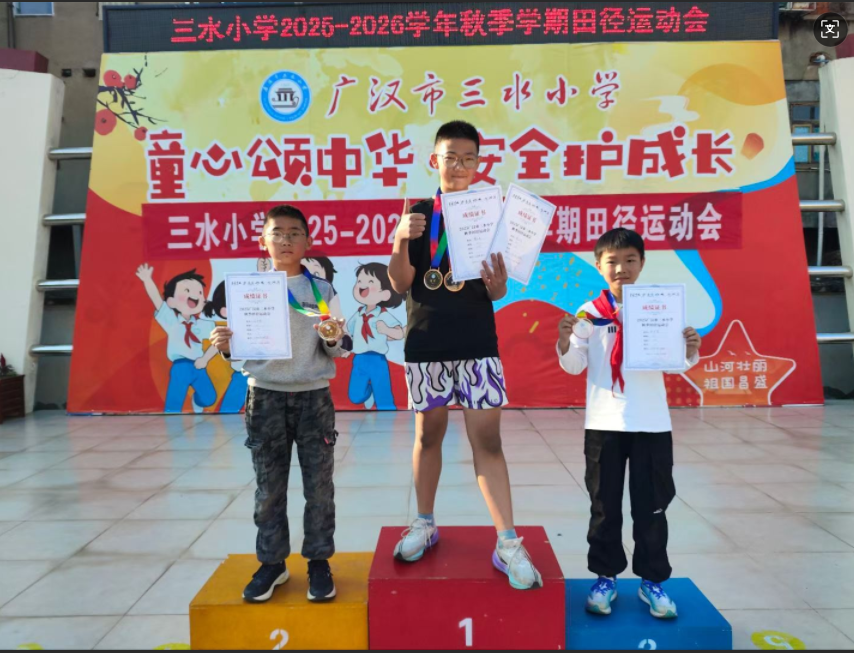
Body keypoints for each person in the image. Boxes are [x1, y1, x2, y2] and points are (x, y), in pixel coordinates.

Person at [387, 120, 542, 590]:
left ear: (479, 163)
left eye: (467, 158)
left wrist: (499, 285)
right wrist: (399, 238)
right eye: (450, 157)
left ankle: (507, 542)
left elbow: (495, 290)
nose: (458, 165)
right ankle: (424, 523)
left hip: (477, 345)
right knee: (428, 436)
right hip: (427, 344)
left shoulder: (491, 214)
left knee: (488, 441)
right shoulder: (416, 214)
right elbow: (400, 283)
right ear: (434, 160)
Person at [556, 228, 702, 619]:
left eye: (630, 260)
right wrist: (565, 342)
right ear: (598, 265)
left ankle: (652, 581)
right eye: (612, 261)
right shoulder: (589, 313)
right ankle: (605, 577)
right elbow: (574, 365)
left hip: (651, 423)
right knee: (604, 506)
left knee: (651, 507)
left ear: (642, 263)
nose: (621, 268)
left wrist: (689, 349)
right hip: (603, 423)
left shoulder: (659, 307)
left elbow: (675, 362)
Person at [210, 204, 349, 604]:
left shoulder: (323, 292)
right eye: (277, 233)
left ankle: (319, 562)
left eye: (294, 233)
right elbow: (237, 352)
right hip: (265, 397)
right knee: (268, 488)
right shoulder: (247, 291)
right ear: (263, 241)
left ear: (308, 241)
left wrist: (333, 337)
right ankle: (272, 563)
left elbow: (338, 348)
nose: (285, 240)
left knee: (319, 488)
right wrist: (225, 346)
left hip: (313, 398)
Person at [135, 265, 217, 413]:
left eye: (199, 292)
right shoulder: (171, 321)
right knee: (174, 402)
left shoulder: (204, 324)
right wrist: (147, 280)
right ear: (171, 301)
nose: (195, 296)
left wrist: (205, 359)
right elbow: (157, 300)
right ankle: (172, 422)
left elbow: (217, 342)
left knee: (209, 398)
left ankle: (197, 401)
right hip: (180, 366)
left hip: (199, 365)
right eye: (187, 291)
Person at [347, 262, 405, 410]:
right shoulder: (358, 314)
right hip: (359, 358)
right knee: (355, 396)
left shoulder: (383, 315)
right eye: (360, 281)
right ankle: (369, 393)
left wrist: (387, 330)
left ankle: (389, 419)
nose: (362, 286)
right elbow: (350, 330)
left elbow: (399, 333)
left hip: (377, 359)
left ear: (385, 294)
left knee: (384, 398)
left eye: (370, 282)